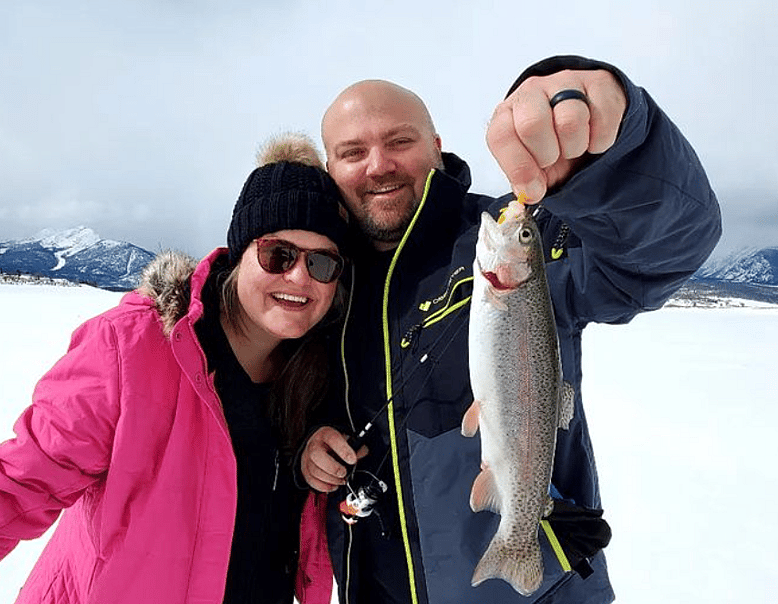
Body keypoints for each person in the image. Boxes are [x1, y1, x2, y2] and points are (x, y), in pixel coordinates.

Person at [0, 132, 349, 604]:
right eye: (278, 254)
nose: (299, 277)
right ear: (239, 252)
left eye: (322, 262)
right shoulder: (134, 350)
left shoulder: (326, 374)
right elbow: (1, 497)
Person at [299, 55, 722, 604]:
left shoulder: (521, 231)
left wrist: (612, 155)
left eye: (399, 141)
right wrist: (312, 444)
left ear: (437, 146)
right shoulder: (316, 279)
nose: (378, 165)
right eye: (353, 152)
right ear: (330, 167)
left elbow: (667, 249)